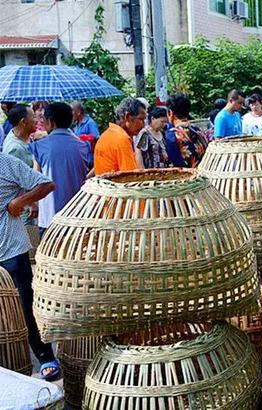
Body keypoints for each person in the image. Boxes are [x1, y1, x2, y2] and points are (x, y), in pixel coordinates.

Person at [0, 153, 59, 380]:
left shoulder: (6, 163)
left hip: (11, 248)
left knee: (25, 304)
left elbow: (45, 184)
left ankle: (44, 355)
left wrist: (19, 202)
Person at [30, 102, 89, 235]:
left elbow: (34, 179)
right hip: (78, 215)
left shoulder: (40, 147)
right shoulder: (82, 146)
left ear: (51, 122)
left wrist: (32, 203)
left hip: (50, 218)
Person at [94, 97, 147, 175]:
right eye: (141, 119)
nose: (143, 125)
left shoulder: (106, 135)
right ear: (127, 117)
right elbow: (130, 177)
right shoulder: (122, 139)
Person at [164, 94, 209, 168]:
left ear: (171, 113)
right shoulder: (199, 132)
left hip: (183, 177)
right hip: (202, 176)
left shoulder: (171, 136)